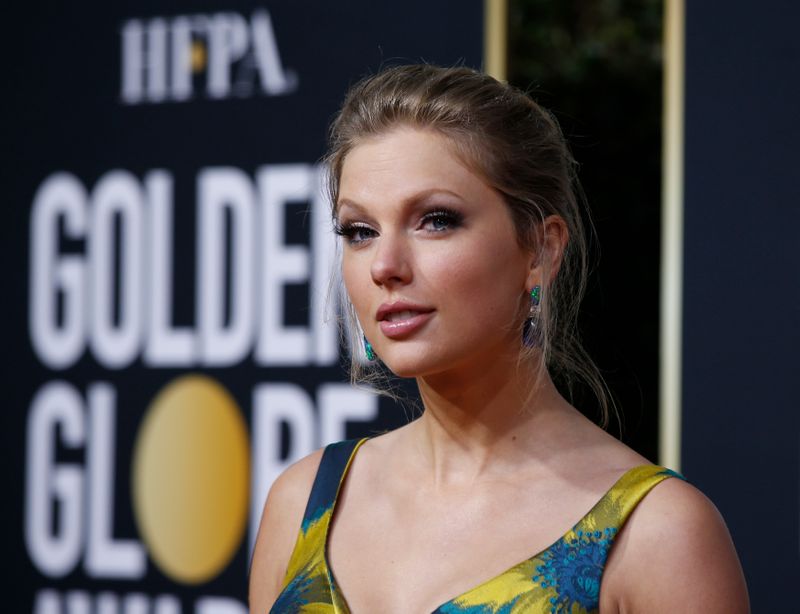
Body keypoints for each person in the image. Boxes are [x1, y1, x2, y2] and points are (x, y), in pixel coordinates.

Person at [249, 64, 748, 613]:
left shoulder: (658, 535)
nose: (384, 266)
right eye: (359, 232)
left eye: (435, 220)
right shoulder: (302, 502)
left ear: (539, 250)